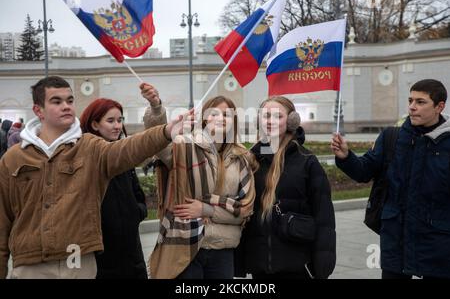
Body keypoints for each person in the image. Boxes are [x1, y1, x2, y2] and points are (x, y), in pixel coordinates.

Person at [0, 76, 186, 279]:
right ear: (38, 110)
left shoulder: (89, 147)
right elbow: (3, 220)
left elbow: (130, 148)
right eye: (56, 101)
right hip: (30, 265)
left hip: (79, 262)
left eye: (70, 101)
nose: (66, 106)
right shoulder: (13, 158)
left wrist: (166, 131)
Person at [331, 79, 450, 279]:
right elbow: (363, 172)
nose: (412, 107)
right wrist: (346, 157)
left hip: (438, 243)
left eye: (420, 102)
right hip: (396, 239)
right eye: (410, 100)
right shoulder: (391, 137)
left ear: (439, 106)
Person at [140, 83, 256, 279]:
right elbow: (158, 142)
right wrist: (156, 108)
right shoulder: (184, 148)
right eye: (214, 114)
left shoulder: (242, 159)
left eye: (227, 115)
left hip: (222, 250)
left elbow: (244, 210)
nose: (220, 119)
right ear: (204, 119)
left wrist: (205, 209)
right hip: (185, 247)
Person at [236, 96, 336, 279]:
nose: (270, 121)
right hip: (260, 266)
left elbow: (324, 217)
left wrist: (322, 263)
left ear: (291, 121)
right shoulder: (251, 159)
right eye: (266, 115)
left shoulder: (307, 161)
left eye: (278, 116)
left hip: (296, 265)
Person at [80, 98, 148, 279]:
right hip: (102, 257)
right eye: (110, 121)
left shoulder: (124, 156)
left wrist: (136, 212)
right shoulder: (84, 157)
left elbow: (139, 196)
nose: (117, 126)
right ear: (94, 124)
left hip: (132, 254)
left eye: (120, 120)